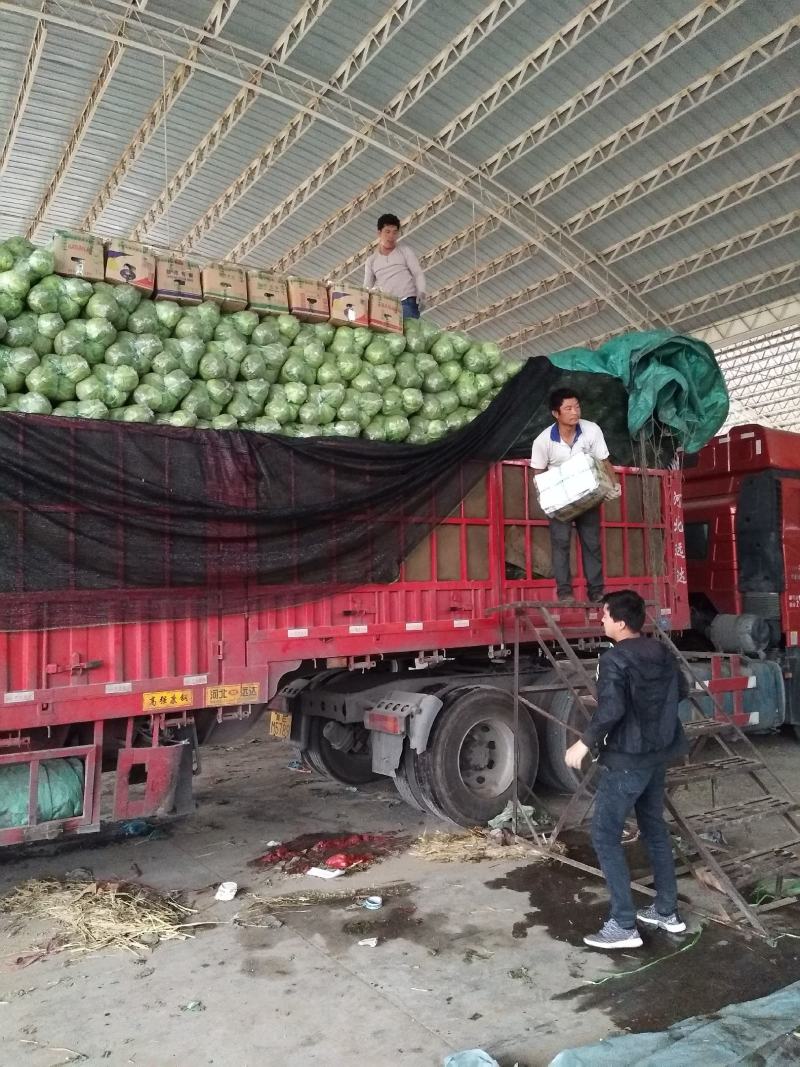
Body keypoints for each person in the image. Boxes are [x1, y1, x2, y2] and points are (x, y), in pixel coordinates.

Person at [565, 589, 689, 949]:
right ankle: (666, 911)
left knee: (604, 835)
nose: (600, 620)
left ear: (620, 622)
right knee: (653, 830)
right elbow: (680, 690)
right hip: (657, 754)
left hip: (626, 760)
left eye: (604, 615)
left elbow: (612, 709)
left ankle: (623, 925)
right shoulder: (661, 651)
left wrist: (584, 742)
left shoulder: (614, 659)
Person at [530, 388, 619, 603]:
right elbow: (538, 474)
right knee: (560, 543)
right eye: (568, 408)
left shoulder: (592, 430)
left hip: (588, 497)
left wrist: (614, 485)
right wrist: (546, 502)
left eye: (577, 406)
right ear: (555, 413)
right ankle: (564, 592)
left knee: (592, 543)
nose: (575, 412)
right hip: (560, 502)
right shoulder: (543, 441)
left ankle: (596, 591)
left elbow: (604, 460)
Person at [364, 213, 426, 319]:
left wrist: (422, 291)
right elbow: (366, 288)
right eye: (387, 232)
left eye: (395, 232)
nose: (391, 236)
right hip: (385, 306)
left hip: (407, 302)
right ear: (379, 233)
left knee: (408, 331)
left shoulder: (405, 251)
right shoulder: (371, 261)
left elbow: (417, 273)